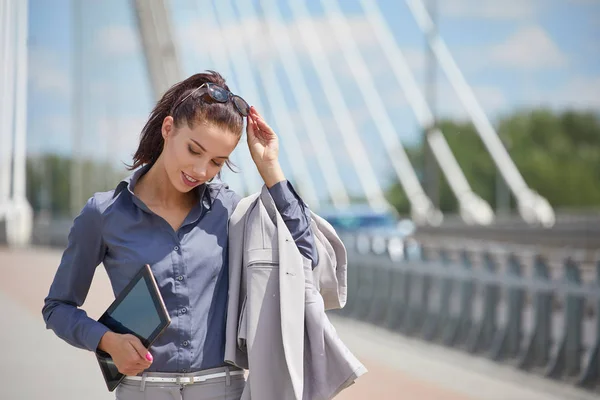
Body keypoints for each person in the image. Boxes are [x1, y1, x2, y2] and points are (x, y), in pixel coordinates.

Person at [42, 71, 319, 400]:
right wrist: (107, 341)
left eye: (217, 161)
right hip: (144, 391)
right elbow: (57, 307)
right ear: (168, 128)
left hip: (223, 389)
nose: (201, 171)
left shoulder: (230, 210)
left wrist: (270, 166)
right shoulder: (105, 214)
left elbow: (305, 258)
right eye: (194, 150)